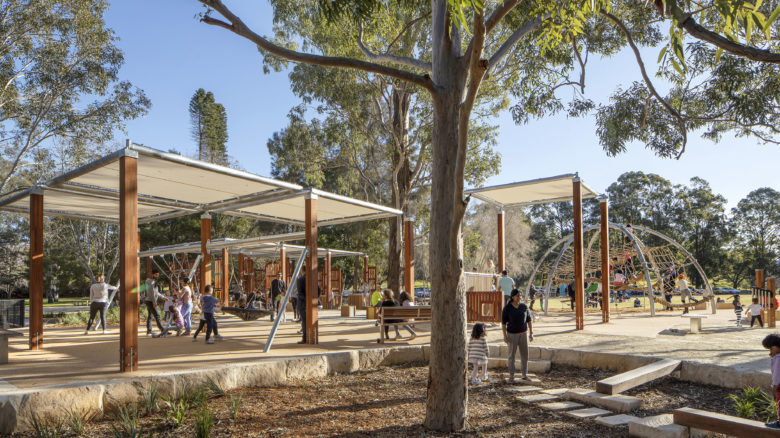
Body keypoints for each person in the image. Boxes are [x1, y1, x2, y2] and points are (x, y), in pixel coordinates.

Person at [502, 289, 533, 382]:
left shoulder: (524, 306)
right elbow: (503, 323)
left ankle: (524, 374)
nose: (519, 297)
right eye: (517, 296)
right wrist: (505, 336)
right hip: (512, 334)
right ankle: (511, 376)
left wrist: (531, 333)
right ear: (512, 297)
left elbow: (529, 320)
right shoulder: (507, 308)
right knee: (511, 356)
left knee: (525, 355)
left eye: (520, 296)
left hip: (523, 334)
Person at [295, 271, 321, 343]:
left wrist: (306, 300)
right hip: (312, 303)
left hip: (303, 303)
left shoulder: (300, 279)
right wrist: (314, 299)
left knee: (304, 321)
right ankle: (313, 337)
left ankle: (305, 338)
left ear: (302, 271)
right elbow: (318, 290)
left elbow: (300, 293)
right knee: (312, 320)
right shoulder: (313, 279)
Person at [762, 334, 780, 429]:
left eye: (771, 349)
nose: (770, 351)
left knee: (779, 403)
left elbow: (777, 373)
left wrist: (775, 385)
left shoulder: (778, 358)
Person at [143, 270, 165, 336]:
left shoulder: (154, 282)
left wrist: (163, 297)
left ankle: (149, 331)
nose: (157, 276)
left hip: (150, 301)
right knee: (157, 315)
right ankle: (163, 330)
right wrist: (154, 302)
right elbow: (151, 293)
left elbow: (156, 292)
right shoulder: (149, 281)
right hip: (150, 301)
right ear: (152, 274)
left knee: (150, 316)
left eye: (158, 275)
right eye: (156, 275)